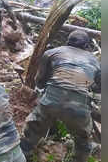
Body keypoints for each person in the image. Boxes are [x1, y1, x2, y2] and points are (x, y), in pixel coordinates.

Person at [20, 30, 101, 162]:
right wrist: (84, 83)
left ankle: (23, 156)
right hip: (79, 107)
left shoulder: (52, 53)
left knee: (32, 132)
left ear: (67, 41)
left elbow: (39, 80)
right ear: (87, 46)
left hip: (50, 101)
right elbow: (100, 87)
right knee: (83, 140)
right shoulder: (95, 61)